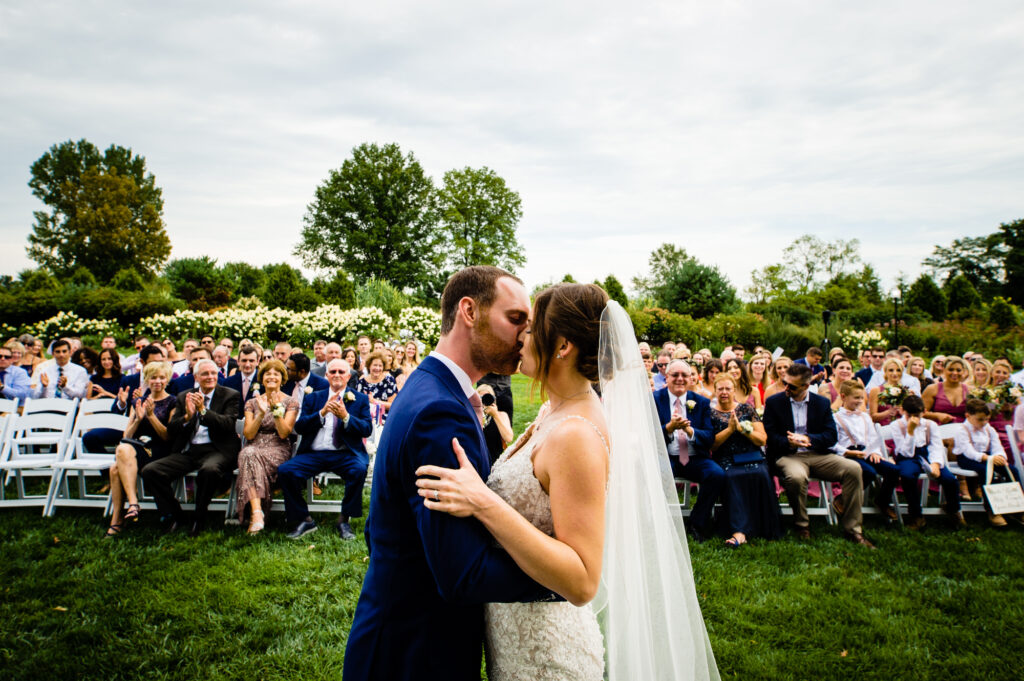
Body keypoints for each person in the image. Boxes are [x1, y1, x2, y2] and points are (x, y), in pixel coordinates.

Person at [404, 279, 719, 681]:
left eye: (531, 328)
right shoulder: (554, 412)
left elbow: (584, 579)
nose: (520, 337)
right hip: (515, 636)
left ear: (563, 346)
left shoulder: (576, 435)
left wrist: (483, 502)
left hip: (547, 654)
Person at [344, 268, 562, 680]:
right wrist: (563, 578)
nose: (525, 335)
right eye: (516, 319)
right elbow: (464, 575)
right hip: (415, 654)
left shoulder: (432, 386)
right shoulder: (438, 411)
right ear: (469, 311)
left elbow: (380, 529)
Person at [763, 363, 873, 547]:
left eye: (792, 386)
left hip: (818, 454)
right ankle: (802, 524)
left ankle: (853, 529)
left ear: (806, 386)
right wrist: (789, 442)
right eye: (785, 383)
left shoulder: (820, 403)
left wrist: (808, 438)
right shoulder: (775, 402)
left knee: (854, 469)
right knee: (796, 477)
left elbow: (831, 436)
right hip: (789, 455)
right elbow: (770, 435)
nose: (786, 388)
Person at [139, 359, 241, 536]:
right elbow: (172, 430)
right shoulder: (184, 396)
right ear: (196, 377)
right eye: (205, 374)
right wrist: (187, 416)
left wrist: (203, 411)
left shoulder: (229, 395)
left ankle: (198, 518)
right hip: (190, 450)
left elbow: (227, 424)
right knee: (151, 470)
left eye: (213, 373)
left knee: (209, 470)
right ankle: (175, 514)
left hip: (218, 450)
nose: (210, 377)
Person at [279, 358, 371, 540]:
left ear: (348, 376)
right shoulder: (314, 397)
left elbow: (366, 429)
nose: (337, 375)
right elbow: (300, 427)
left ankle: (344, 519)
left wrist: (346, 417)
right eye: (333, 371)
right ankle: (303, 519)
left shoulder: (359, 399)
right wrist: (321, 413)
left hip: (344, 453)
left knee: (359, 469)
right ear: (327, 375)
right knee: (286, 471)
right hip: (315, 453)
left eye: (341, 372)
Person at [708, 374, 781, 547]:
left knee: (761, 474)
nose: (724, 392)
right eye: (720, 389)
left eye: (728, 388)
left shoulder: (746, 410)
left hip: (751, 454)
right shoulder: (710, 413)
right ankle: (738, 532)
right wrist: (730, 429)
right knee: (732, 477)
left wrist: (742, 430)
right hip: (726, 458)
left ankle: (764, 526)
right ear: (715, 391)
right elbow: (712, 446)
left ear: (734, 390)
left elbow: (762, 439)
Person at [653, 359, 722, 541]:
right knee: (654, 475)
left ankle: (697, 522)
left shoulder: (701, 402)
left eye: (685, 375)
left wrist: (690, 430)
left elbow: (709, 437)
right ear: (666, 377)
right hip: (667, 456)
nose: (680, 379)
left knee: (716, 474)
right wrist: (669, 427)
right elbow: (647, 434)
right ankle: (659, 523)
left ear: (691, 378)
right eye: (675, 375)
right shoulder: (654, 400)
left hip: (694, 456)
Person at [105, 361, 176, 537]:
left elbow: (168, 436)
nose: (157, 381)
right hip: (136, 449)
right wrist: (137, 419)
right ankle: (133, 504)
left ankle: (118, 519)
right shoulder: (138, 401)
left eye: (161, 377)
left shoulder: (173, 401)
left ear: (167, 380)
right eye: (153, 377)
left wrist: (151, 417)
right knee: (123, 450)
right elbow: (126, 436)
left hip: (160, 450)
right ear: (147, 380)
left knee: (115, 469)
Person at [236, 359, 300, 534]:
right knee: (248, 453)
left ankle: (256, 514)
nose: (271, 377)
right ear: (262, 378)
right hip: (254, 444)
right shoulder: (251, 403)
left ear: (282, 378)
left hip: (278, 447)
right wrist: (261, 414)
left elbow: (284, 434)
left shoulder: (291, 402)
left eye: (276, 374)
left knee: (248, 455)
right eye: (267, 374)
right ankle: (257, 513)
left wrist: (276, 412)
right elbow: (248, 434)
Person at [889, 395, 964, 529]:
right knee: (907, 476)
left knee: (950, 479)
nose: (913, 418)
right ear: (902, 411)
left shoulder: (930, 425)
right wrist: (910, 431)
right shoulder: (897, 425)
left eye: (917, 415)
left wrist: (935, 464)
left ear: (923, 412)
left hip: (928, 454)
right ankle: (916, 515)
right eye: (909, 415)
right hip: (907, 456)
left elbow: (936, 446)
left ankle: (953, 510)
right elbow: (904, 452)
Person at [832, 380, 899, 520]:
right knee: (868, 472)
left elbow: (873, 438)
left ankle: (882, 501)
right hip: (847, 453)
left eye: (862, 398)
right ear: (843, 397)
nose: (860, 401)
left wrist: (875, 451)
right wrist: (847, 452)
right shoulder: (835, 418)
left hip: (866, 451)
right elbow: (832, 442)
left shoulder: (865, 417)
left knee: (893, 470)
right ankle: (843, 499)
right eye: (856, 398)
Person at [953, 399, 1023, 527]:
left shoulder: (988, 429)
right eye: (980, 420)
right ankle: (992, 509)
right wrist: (987, 458)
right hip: (968, 458)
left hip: (988, 457)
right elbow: (968, 451)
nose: (984, 422)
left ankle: (1017, 506)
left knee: (1011, 470)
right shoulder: (961, 430)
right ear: (968, 416)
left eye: (987, 419)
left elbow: (997, 446)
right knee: (985, 472)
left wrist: (1000, 456)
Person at [923, 357, 970, 424]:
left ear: (963, 371)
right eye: (951, 370)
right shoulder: (932, 389)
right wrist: (937, 415)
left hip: (963, 429)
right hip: (939, 429)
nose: (955, 373)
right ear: (944, 370)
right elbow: (920, 412)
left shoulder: (969, 390)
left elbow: (982, 409)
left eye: (958, 370)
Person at [476, 383, 514, 465]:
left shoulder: (501, 415)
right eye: (480, 398)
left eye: (487, 398)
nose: (483, 402)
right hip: (477, 460)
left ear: (493, 399)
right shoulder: (472, 415)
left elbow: (509, 438)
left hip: (495, 460)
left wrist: (495, 415)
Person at [357, 351, 398, 422]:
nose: (377, 368)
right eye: (375, 365)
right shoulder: (361, 382)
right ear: (369, 366)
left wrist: (374, 401)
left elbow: (392, 406)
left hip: (384, 420)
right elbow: (358, 405)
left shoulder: (389, 381)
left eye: (380, 366)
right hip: (366, 420)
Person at [220, 344, 263, 411]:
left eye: (251, 361)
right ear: (238, 362)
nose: (247, 364)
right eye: (244, 360)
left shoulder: (263, 381)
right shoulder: (228, 382)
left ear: (257, 362)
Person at [869, 358, 909, 426]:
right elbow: (872, 417)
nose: (895, 373)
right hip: (883, 428)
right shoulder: (876, 390)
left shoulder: (906, 392)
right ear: (885, 372)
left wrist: (903, 412)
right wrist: (889, 412)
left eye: (898, 370)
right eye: (891, 370)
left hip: (901, 427)